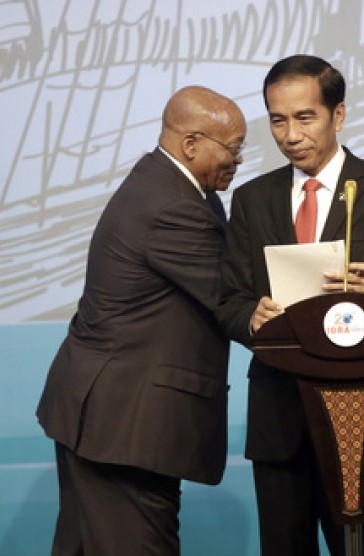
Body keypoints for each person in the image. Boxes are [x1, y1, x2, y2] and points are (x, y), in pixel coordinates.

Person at [217, 55, 364, 556]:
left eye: (305, 117)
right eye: (277, 119)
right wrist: (251, 318)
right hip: (279, 413)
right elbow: (229, 299)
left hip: (362, 408)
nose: (290, 134)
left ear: (337, 115)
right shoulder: (252, 199)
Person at [36, 85, 247, 555]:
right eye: (232, 149)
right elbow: (232, 298)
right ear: (191, 145)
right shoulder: (172, 204)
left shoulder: (177, 187)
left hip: (103, 414)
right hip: (122, 424)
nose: (238, 160)